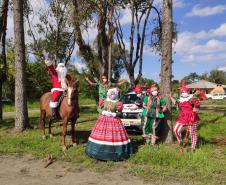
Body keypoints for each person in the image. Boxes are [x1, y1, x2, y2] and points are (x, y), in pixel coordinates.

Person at [85, 87, 132, 161]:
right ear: (108, 94)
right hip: (103, 120)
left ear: (116, 95)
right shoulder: (104, 101)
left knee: (114, 136)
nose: (112, 95)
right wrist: (103, 112)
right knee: (100, 134)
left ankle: (115, 153)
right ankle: (97, 152)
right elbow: (99, 109)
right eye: (111, 94)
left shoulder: (118, 103)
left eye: (113, 94)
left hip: (114, 121)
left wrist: (114, 114)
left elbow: (120, 113)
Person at [169, 80, 201, 152]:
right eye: (182, 92)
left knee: (192, 132)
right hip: (182, 116)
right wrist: (170, 97)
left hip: (192, 116)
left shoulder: (191, 98)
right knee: (176, 129)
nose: (184, 93)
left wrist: (196, 108)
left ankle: (193, 147)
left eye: (185, 92)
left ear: (187, 92)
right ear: (181, 92)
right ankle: (180, 142)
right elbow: (175, 103)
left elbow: (197, 105)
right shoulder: (180, 99)